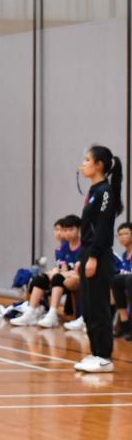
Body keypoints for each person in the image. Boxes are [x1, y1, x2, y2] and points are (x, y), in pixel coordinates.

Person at [74, 145, 124, 373]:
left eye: (87, 160)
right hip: (88, 253)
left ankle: (104, 356)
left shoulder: (105, 192)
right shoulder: (94, 191)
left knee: (99, 306)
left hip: (99, 255)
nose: (83, 164)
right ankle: (95, 353)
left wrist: (93, 256)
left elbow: (103, 228)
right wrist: (83, 257)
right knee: (88, 307)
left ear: (99, 165)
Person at [11, 215, 82, 328]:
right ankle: (31, 312)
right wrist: (55, 272)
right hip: (65, 278)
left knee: (57, 277)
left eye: (70, 229)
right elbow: (63, 268)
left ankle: (53, 314)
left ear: (78, 229)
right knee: (41, 279)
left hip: (79, 279)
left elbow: (78, 271)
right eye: (65, 230)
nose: (67, 233)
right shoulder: (63, 247)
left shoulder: (84, 246)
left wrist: (61, 273)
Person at [113, 223, 132, 340]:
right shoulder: (125, 255)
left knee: (129, 280)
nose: (122, 237)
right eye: (120, 234)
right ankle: (124, 324)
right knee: (115, 280)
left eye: (126, 233)